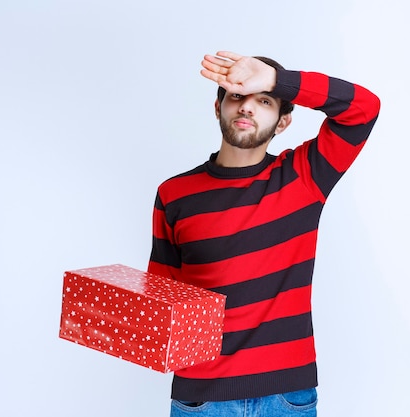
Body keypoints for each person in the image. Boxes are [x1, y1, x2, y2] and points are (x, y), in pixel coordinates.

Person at [148, 51, 380, 416]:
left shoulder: (305, 176)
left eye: (264, 100)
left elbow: (363, 108)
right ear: (218, 107)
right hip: (202, 399)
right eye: (237, 96)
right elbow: (164, 295)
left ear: (283, 121)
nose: (246, 108)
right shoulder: (174, 194)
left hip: (287, 396)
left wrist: (275, 78)